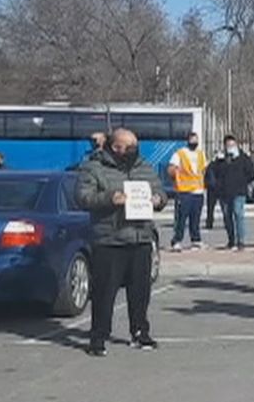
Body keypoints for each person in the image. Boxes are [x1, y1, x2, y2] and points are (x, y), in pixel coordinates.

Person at [76, 128, 166, 356]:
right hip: (110, 239)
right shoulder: (94, 167)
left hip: (140, 237)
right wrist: (110, 198)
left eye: (135, 146)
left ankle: (140, 332)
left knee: (140, 292)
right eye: (128, 147)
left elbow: (160, 190)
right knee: (104, 292)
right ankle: (98, 337)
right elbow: (82, 197)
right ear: (116, 147)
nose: (133, 150)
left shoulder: (143, 166)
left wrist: (158, 199)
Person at [212, 135, 254, 251]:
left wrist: (243, 182)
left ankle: (241, 241)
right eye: (228, 145)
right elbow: (214, 172)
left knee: (238, 213)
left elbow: (251, 172)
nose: (230, 147)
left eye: (232, 145)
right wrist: (218, 161)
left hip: (239, 192)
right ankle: (231, 240)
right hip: (224, 193)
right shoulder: (221, 159)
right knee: (227, 216)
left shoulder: (243, 158)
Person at [167, 132, 207, 252]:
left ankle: (196, 240)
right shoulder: (180, 153)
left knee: (196, 218)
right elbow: (171, 169)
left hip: (198, 191)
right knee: (181, 218)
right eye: (192, 140)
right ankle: (177, 240)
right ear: (188, 141)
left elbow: (203, 170)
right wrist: (175, 175)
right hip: (184, 191)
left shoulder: (200, 154)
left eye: (196, 140)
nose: (194, 142)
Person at [203, 149, 220, 230]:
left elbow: (206, 176)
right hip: (216, 188)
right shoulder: (219, 165)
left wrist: (206, 184)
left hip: (213, 188)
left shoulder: (211, 165)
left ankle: (209, 222)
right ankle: (209, 221)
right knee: (212, 207)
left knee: (211, 207)